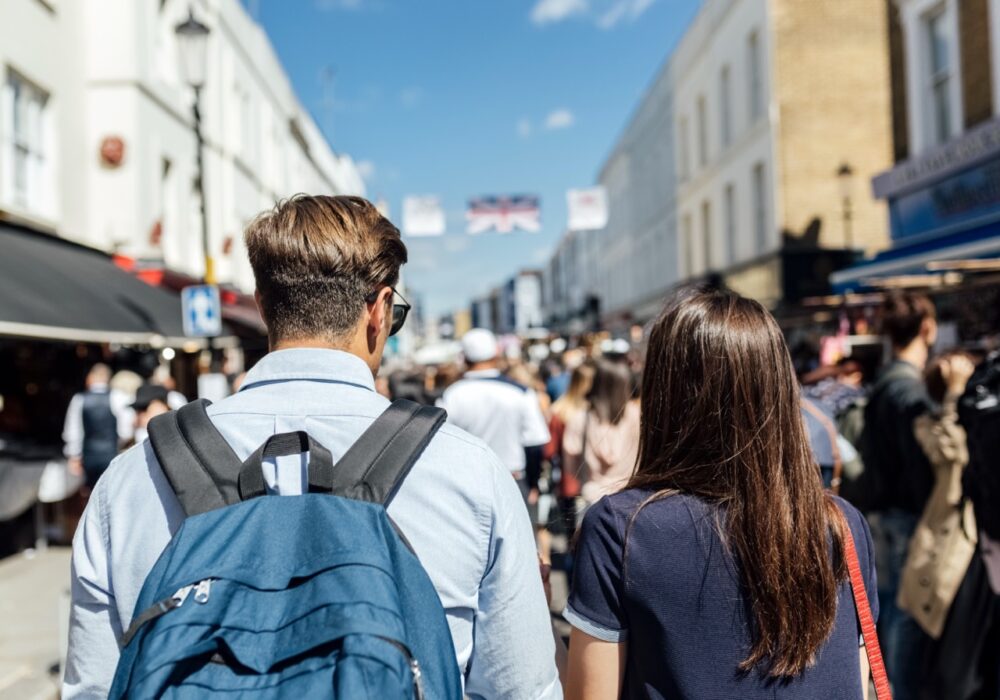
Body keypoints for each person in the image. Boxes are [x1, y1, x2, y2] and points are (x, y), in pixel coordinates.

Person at [64, 195, 560, 699]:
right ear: (380, 311)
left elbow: (92, 688)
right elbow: (520, 689)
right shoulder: (467, 471)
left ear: (261, 306)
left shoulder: (133, 478)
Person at [565, 289, 879, 699]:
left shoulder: (620, 529)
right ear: (779, 386)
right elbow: (855, 682)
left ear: (664, 392)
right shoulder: (841, 522)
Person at [859, 291, 938, 698]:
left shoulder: (884, 387)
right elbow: (919, 467)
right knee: (904, 613)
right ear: (927, 328)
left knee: (888, 609)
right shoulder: (910, 392)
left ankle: (886, 687)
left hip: (881, 513)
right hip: (906, 516)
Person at [437, 328, 551, 503]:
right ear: (497, 352)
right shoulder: (520, 392)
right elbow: (535, 443)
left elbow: (441, 444)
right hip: (513, 479)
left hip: (467, 482)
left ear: (464, 357)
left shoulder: (452, 395)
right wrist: (533, 483)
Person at [562, 359, 639, 507]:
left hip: (593, 500)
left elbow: (571, 469)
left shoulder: (580, 419)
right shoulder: (638, 417)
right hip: (632, 499)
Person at [62, 363, 134, 489]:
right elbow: (126, 430)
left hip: (89, 455)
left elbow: (73, 430)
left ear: (90, 377)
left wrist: (74, 455)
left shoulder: (79, 399)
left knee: (92, 494)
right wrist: (119, 443)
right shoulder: (118, 397)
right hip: (112, 453)